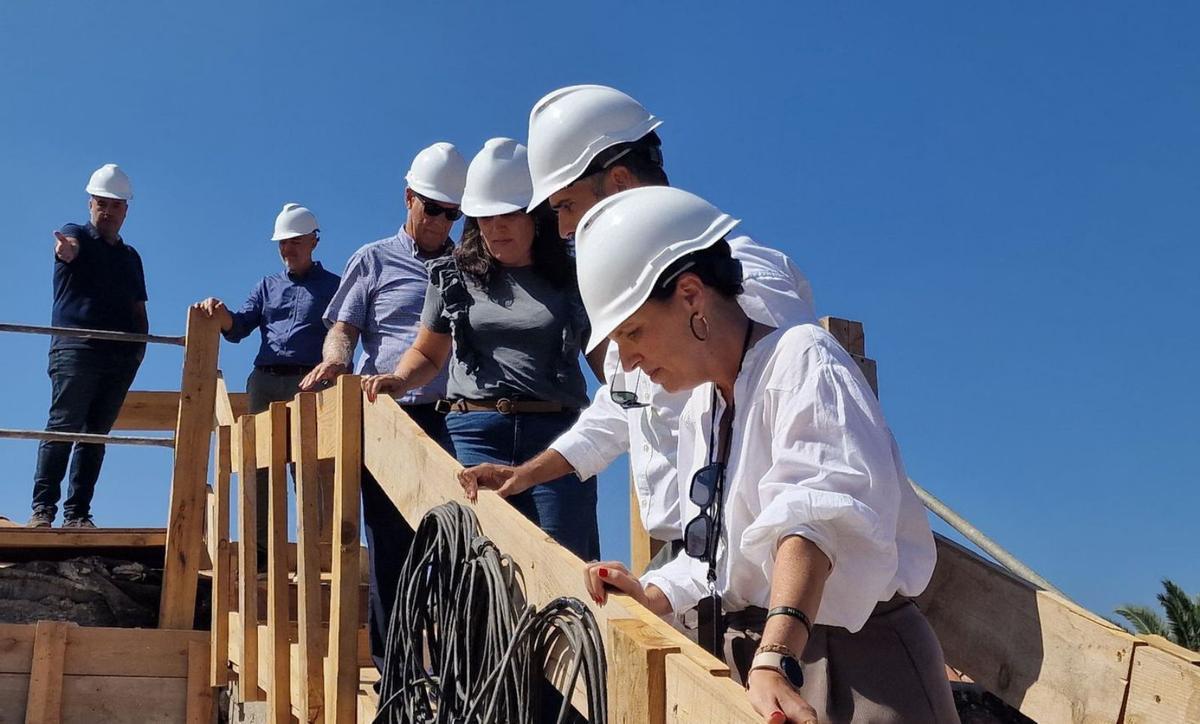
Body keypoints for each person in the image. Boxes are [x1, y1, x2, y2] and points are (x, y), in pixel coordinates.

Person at [571, 187, 957, 723]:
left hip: (853, 669)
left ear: (690, 295)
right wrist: (654, 591)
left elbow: (815, 521)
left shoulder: (803, 359)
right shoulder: (702, 410)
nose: (629, 362)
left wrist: (776, 656)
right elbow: (722, 560)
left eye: (633, 332)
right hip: (765, 666)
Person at [459, 85, 814, 562]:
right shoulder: (645, 304)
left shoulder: (747, 282)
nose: (563, 230)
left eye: (566, 205)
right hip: (696, 564)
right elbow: (619, 409)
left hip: (760, 566)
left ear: (621, 183)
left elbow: (801, 455)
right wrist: (528, 473)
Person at [363, 138, 600, 560]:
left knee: (564, 565)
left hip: (556, 440)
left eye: (507, 215)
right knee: (476, 575)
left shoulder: (574, 276)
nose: (494, 228)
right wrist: (400, 379)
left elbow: (604, 359)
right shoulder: (452, 275)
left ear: (537, 215)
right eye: (483, 218)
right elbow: (429, 354)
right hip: (473, 435)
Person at [298, 142, 468, 672]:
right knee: (393, 546)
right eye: (434, 208)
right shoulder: (372, 259)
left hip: (457, 420)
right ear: (408, 197)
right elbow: (343, 329)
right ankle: (397, 674)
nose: (443, 221)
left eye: (453, 213)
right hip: (392, 417)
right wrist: (336, 363)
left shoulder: (469, 266)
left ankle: (450, 676)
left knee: (454, 552)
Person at [192, 203, 339, 567]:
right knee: (259, 468)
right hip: (265, 381)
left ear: (313, 241)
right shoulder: (267, 286)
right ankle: (260, 558)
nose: (287, 249)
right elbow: (239, 327)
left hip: (311, 384)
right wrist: (221, 313)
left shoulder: (335, 287)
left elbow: (346, 332)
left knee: (308, 470)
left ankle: (314, 556)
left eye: (294, 242)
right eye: (282, 244)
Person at [28, 164, 148, 529]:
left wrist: (139, 350)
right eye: (101, 204)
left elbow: (138, 307)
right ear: (90, 204)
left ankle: (78, 514)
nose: (108, 212)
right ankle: (43, 510)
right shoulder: (73, 233)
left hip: (120, 356)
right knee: (64, 426)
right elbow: (69, 249)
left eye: (115, 205)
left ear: (126, 210)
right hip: (76, 350)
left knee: (95, 436)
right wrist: (66, 251)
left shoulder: (130, 257)